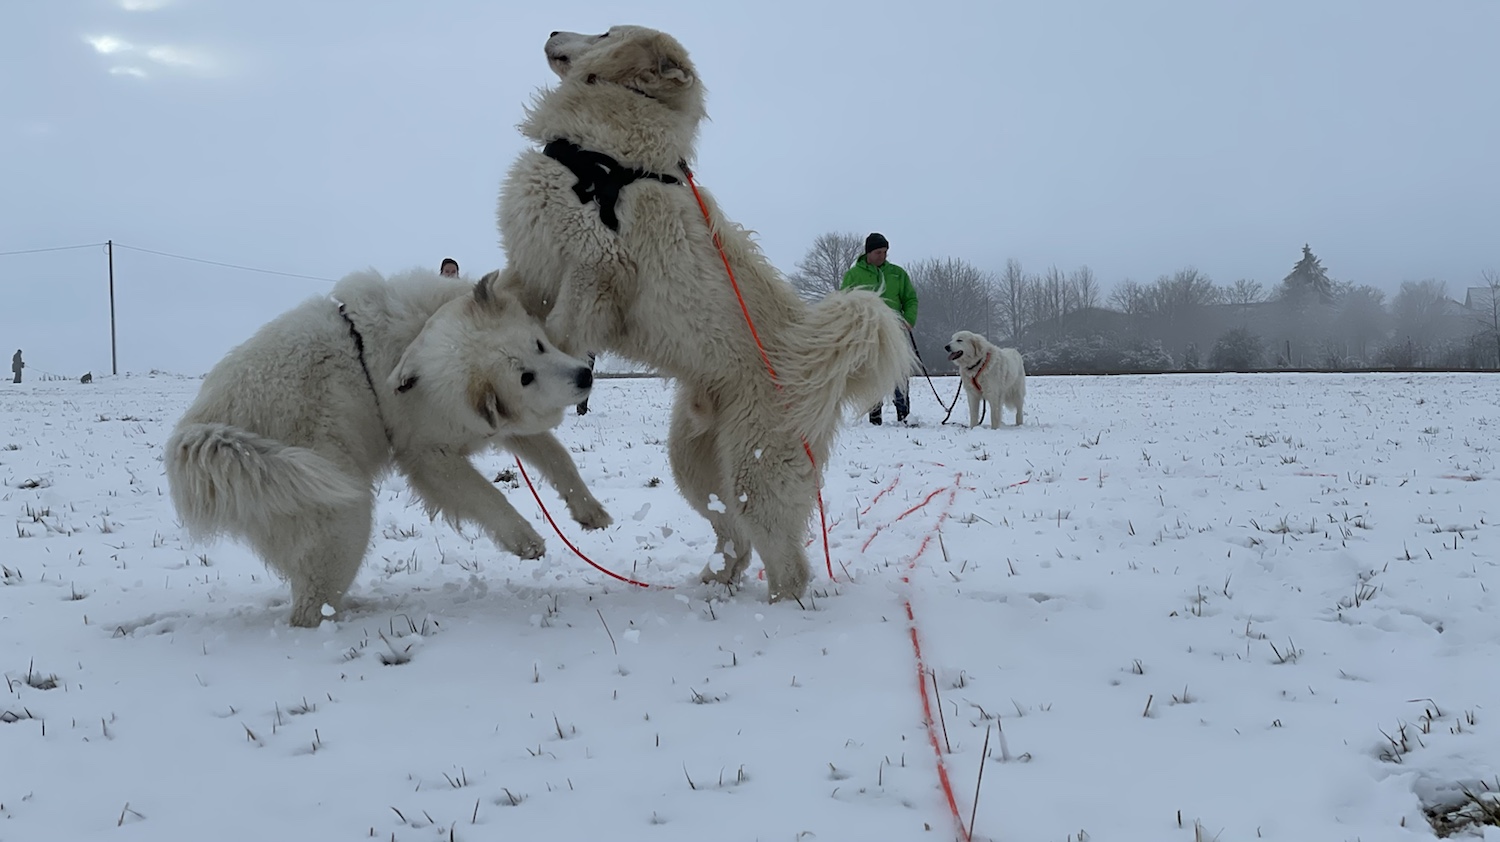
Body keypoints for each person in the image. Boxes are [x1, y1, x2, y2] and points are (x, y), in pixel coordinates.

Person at [840, 233, 918, 424]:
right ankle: (875, 414)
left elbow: (910, 299)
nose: (882, 256)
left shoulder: (898, 273)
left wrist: (908, 320)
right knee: (871, 371)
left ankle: (904, 413)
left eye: (885, 252)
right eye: (878, 252)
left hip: (895, 332)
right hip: (866, 333)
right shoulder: (853, 275)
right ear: (868, 252)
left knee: (899, 370)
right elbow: (843, 303)